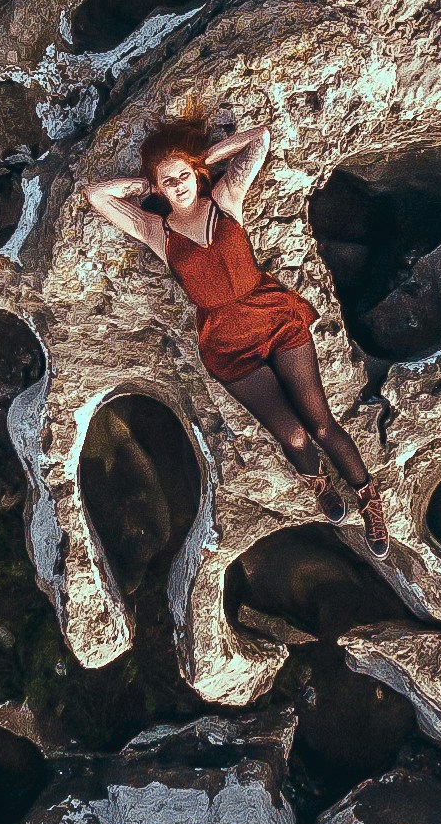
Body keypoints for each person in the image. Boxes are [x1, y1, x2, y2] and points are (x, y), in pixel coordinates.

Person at [84, 114, 390, 551]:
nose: (178, 185)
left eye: (184, 175)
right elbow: (97, 195)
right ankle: (319, 482)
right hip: (227, 343)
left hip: (272, 316)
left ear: (196, 172)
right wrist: (145, 184)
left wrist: (201, 158)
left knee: (321, 426)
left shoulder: (226, 199)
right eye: (168, 183)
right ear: (158, 189)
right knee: (294, 435)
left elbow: (260, 139)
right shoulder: (156, 231)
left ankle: (369, 500)